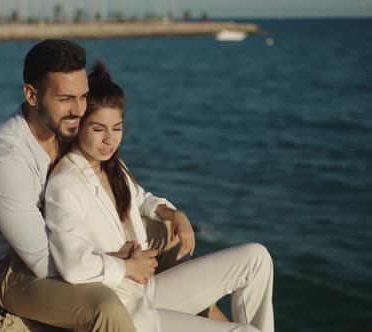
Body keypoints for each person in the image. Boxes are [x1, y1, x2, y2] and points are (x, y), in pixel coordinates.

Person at [44, 61, 275, 332]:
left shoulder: (113, 166)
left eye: (117, 128)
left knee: (257, 258)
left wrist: (173, 214)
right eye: (98, 129)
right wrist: (126, 266)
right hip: (123, 307)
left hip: (148, 290)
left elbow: (141, 199)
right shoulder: (65, 184)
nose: (110, 140)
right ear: (79, 127)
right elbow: (71, 265)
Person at [0, 39, 139, 331]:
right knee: (104, 305)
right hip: (10, 268)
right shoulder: (4, 161)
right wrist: (117, 263)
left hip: (70, 242)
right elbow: (44, 263)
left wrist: (166, 212)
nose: (80, 110)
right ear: (32, 95)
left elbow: (117, 181)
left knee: (166, 238)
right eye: (66, 99)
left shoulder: (63, 128)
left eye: (83, 96)